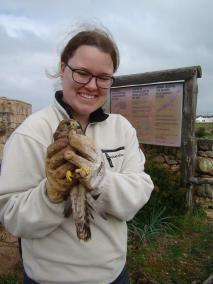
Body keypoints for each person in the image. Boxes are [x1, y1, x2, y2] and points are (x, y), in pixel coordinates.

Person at [0, 25, 154, 284]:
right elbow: (12, 217)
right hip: (48, 279)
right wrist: (52, 192)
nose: (92, 85)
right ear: (63, 69)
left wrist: (100, 179)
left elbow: (138, 193)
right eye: (82, 73)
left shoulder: (122, 128)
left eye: (103, 77)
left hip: (114, 275)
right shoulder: (32, 132)